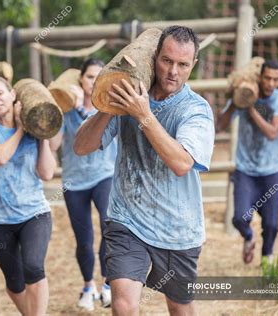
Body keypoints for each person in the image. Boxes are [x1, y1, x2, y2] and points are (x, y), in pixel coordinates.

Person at [73, 25, 215, 315]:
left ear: (193, 66)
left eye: (183, 64)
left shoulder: (195, 110)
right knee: (123, 305)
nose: (173, 71)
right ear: (154, 58)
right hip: (127, 219)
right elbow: (81, 147)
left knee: (180, 308)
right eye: (167, 61)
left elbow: (181, 163)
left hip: (178, 228)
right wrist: (108, 104)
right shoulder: (131, 95)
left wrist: (144, 115)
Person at [0, 76, 56, 315]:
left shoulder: (33, 130)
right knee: (15, 281)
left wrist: (41, 136)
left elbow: (47, 173)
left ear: (12, 95)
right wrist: (20, 129)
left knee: (33, 268)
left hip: (34, 214)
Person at [50, 59, 117, 311]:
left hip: (105, 175)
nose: (93, 81)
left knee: (108, 227)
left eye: (99, 77)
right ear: (81, 80)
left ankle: (108, 285)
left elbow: (100, 134)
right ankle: (88, 287)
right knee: (84, 239)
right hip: (74, 181)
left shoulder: (111, 108)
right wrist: (55, 108)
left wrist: (81, 110)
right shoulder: (67, 109)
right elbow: (54, 145)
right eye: (89, 77)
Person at [216, 60, 278, 265]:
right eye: (267, 78)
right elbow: (219, 126)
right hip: (245, 169)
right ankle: (249, 237)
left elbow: (271, 132)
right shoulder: (246, 93)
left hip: (271, 170)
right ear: (259, 77)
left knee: (271, 224)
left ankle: (267, 259)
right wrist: (236, 101)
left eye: (276, 79)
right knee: (239, 218)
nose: (270, 83)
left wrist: (250, 108)